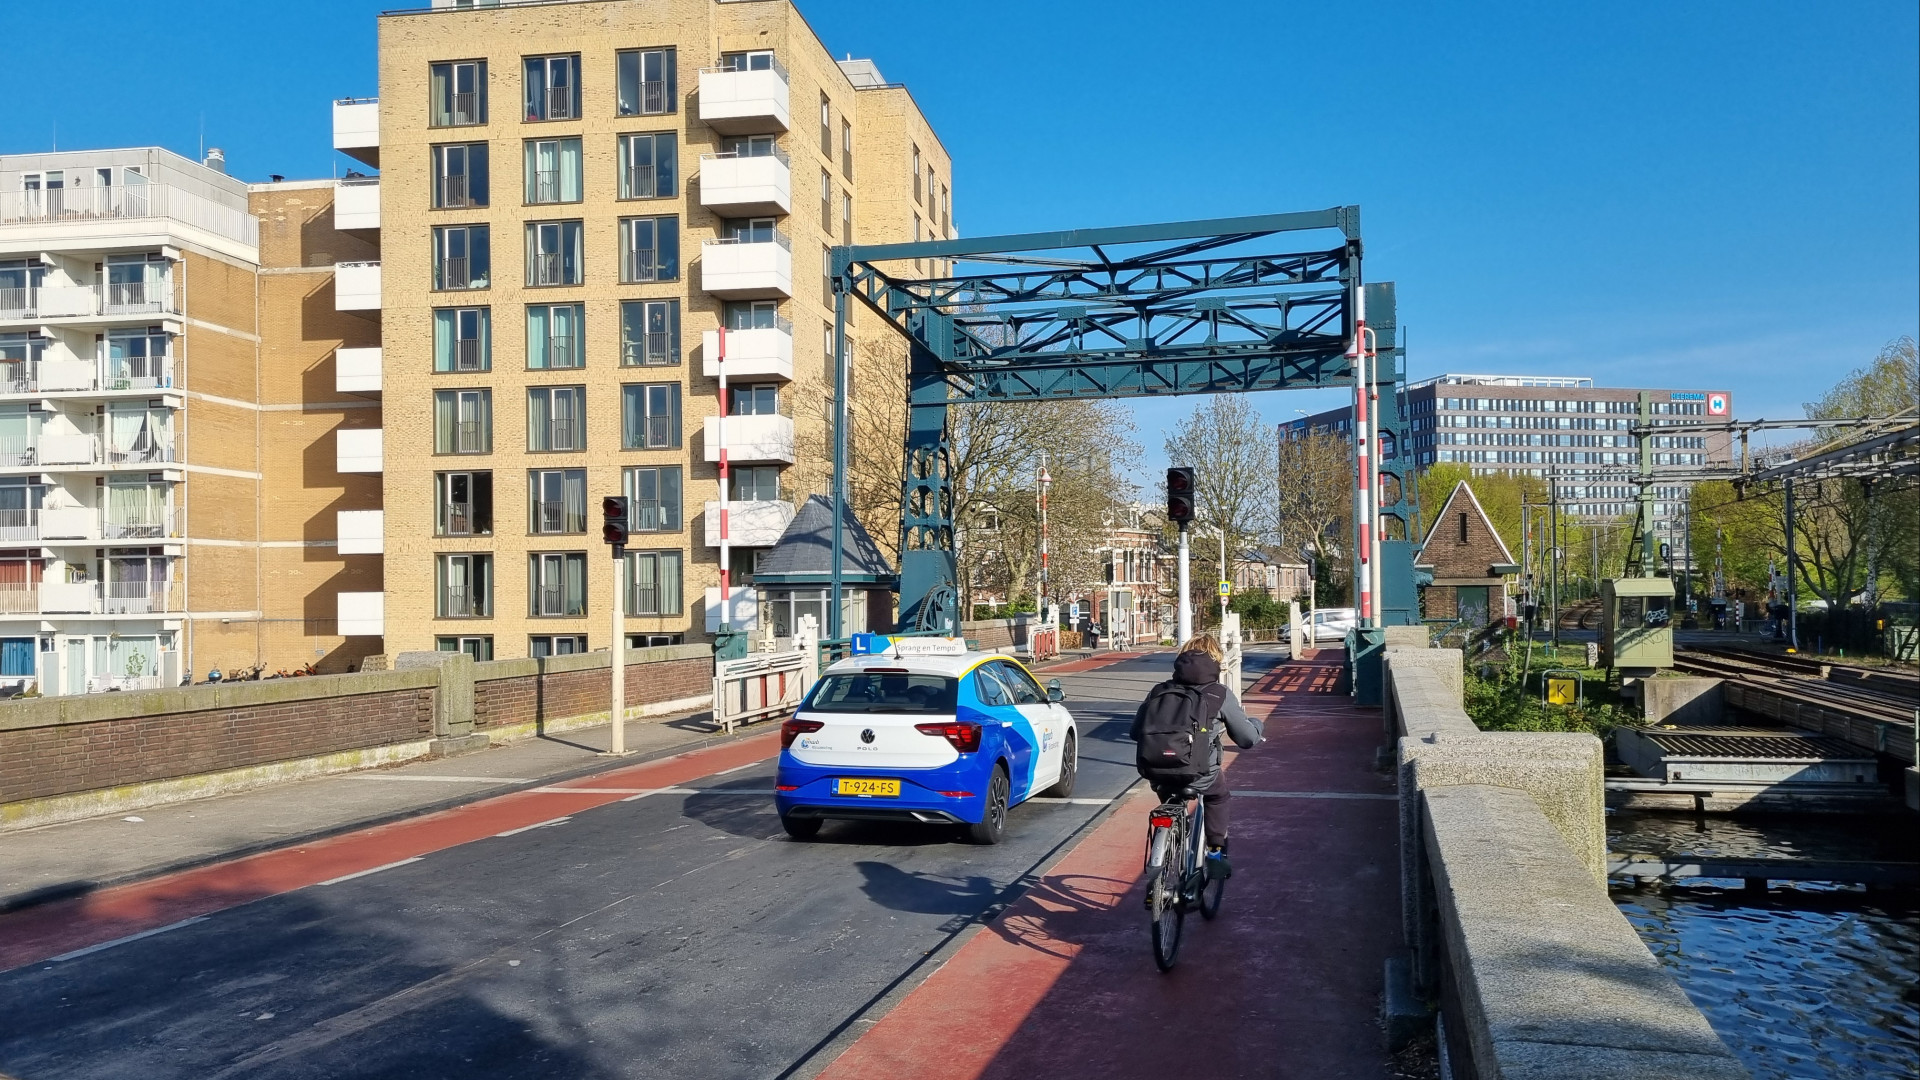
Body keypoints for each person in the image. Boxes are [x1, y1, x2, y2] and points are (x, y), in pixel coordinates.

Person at [1131, 634, 1263, 879]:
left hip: (1156, 772)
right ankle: (1214, 852)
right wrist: (1257, 725)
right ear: (1216, 662)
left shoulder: (1159, 691)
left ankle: (1173, 841)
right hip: (1199, 774)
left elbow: (1134, 732)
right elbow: (1245, 739)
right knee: (1218, 796)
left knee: (1171, 797)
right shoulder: (1218, 693)